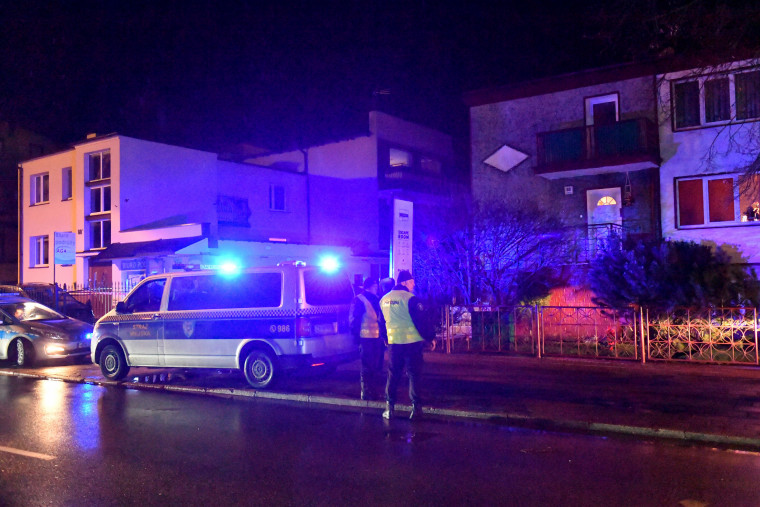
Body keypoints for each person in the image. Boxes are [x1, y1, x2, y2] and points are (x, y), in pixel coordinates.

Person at [380, 270, 434, 421]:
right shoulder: (410, 298)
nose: (413, 284)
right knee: (414, 375)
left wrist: (386, 338)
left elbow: (381, 323)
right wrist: (430, 337)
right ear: (404, 282)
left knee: (393, 375)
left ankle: (389, 408)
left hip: (394, 345)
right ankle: (416, 409)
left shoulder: (383, 299)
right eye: (411, 282)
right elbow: (421, 321)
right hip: (412, 344)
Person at [349, 277, 387, 400]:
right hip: (365, 339)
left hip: (377, 339)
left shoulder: (377, 299)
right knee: (367, 366)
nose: (377, 288)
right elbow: (354, 321)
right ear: (370, 286)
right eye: (375, 286)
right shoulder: (360, 300)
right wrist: (357, 338)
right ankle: (366, 392)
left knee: (376, 367)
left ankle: (374, 391)